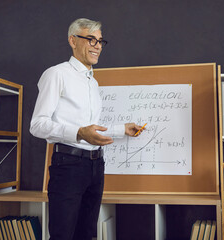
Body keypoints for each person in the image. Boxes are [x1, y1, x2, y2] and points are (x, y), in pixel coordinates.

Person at [30, 18, 143, 240]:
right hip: (68, 166)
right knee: (63, 235)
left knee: (87, 234)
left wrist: (122, 129)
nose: (97, 45)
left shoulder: (93, 82)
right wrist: (79, 133)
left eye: (100, 41)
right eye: (90, 39)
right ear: (73, 40)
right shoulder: (57, 74)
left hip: (95, 166)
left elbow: (92, 128)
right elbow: (37, 125)